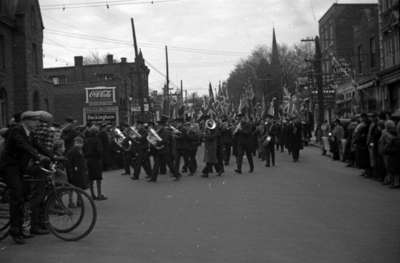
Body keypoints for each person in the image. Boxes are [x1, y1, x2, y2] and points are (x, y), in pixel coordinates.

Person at [0, 111, 53, 244]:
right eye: (35, 121)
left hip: (20, 168)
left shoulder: (30, 133)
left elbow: (38, 146)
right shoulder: (16, 131)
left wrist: (54, 156)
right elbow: (23, 146)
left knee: (24, 196)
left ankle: (24, 228)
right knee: (17, 196)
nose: (37, 123)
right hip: (9, 167)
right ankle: (15, 231)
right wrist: (37, 156)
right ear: (26, 121)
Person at [83, 125, 107, 200]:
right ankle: (99, 194)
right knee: (98, 178)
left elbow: (83, 149)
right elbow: (99, 150)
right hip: (96, 160)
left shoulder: (86, 140)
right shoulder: (97, 140)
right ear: (96, 132)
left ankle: (92, 195)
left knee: (91, 179)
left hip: (88, 160)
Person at [383, 121, 400, 188]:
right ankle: (392, 181)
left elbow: (387, 144)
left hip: (392, 153)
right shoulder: (394, 137)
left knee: (393, 168)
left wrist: (386, 150)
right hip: (393, 153)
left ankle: (393, 182)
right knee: (393, 168)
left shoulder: (393, 137)